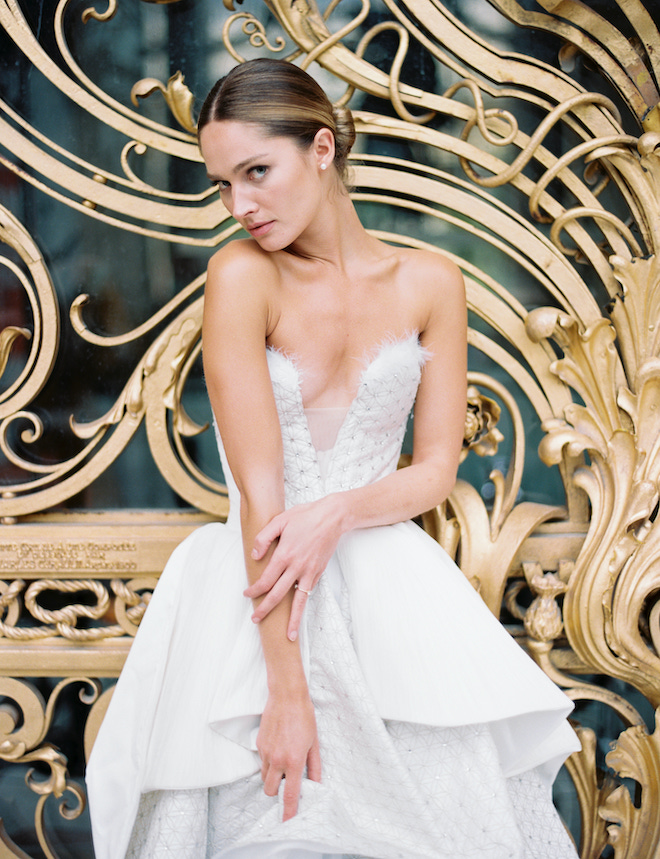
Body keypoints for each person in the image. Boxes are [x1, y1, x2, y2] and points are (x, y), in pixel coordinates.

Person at [86, 58, 581, 859]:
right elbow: (257, 490)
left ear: (321, 149)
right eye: (221, 183)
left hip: (396, 595)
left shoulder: (432, 281)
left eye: (257, 171)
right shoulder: (241, 276)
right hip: (260, 596)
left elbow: (435, 470)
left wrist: (340, 511)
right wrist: (287, 688)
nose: (239, 204)